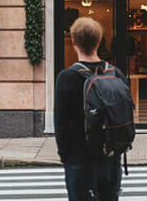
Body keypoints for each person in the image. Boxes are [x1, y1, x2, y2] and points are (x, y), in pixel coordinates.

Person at [54, 17, 127, 201]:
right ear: (99, 41)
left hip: (79, 159)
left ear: (73, 42)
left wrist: (65, 157)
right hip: (110, 160)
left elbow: (61, 124)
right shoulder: (115, 73)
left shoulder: (67, 78)